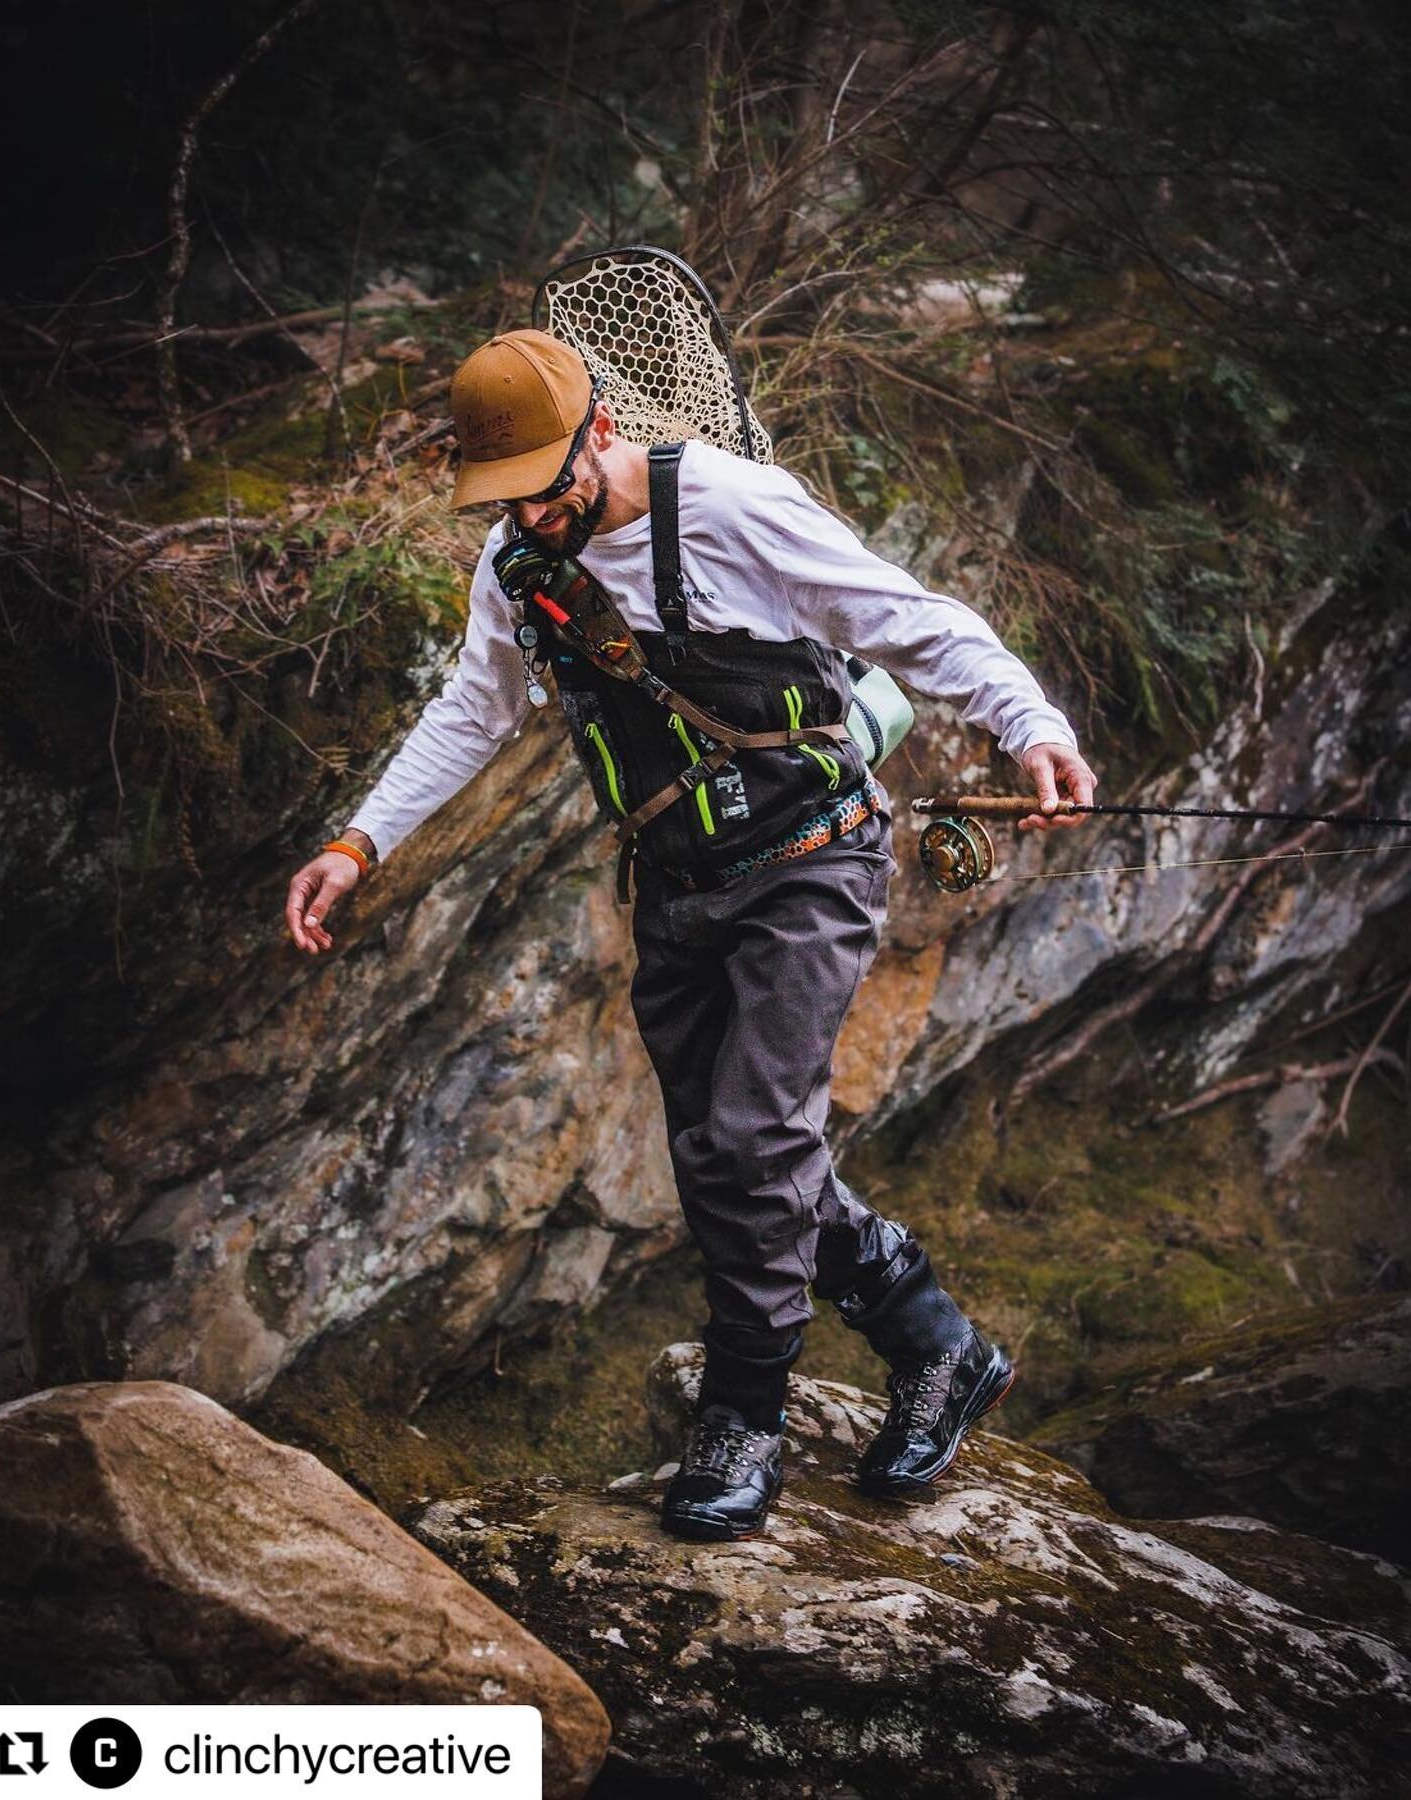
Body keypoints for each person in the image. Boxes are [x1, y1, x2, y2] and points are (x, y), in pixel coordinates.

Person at [284, 328, 1097, 1541]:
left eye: (544, 491)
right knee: (723, 1157)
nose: (528, 521)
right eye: (500, 500)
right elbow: (475, 709)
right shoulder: (513, 563)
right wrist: (360, 844)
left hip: (813, 857)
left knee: (755, 1134)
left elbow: (908, 620)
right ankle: (938, 1344)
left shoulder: (731, 506)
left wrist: (1027, 721)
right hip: (675, 884)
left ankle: (744, 1417)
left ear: (599, 433)